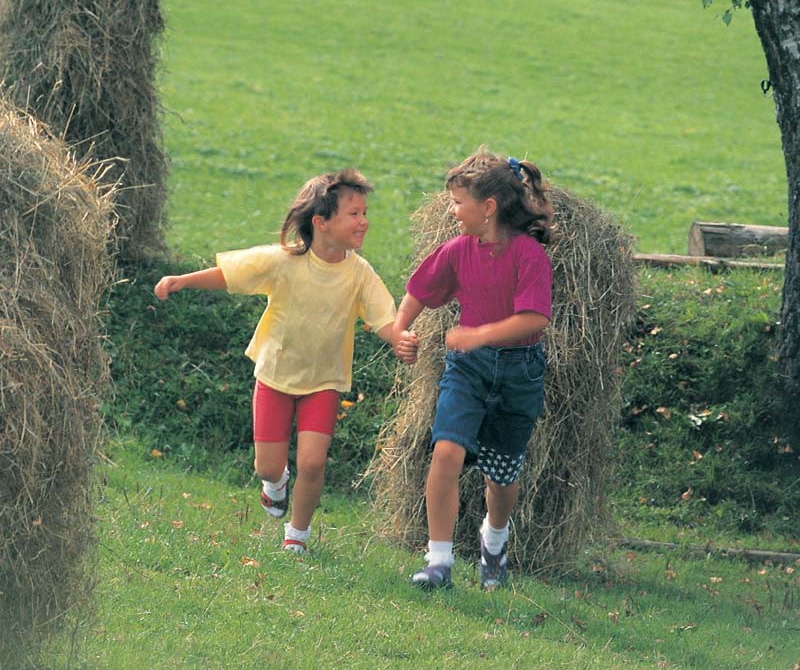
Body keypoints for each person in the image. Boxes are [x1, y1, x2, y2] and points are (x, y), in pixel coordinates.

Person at [155, 168, 411, 553]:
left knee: (312, 464)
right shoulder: (284, 261)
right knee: (267, 467)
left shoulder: (359, 273)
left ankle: (297, 535)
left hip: (324, 381)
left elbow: (383, 318)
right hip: (275, 376)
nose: (364, 221)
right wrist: (182, 280)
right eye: (354, 214)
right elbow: (231, 274)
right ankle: (275, 485)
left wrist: (400, 339)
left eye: (364, 212)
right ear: (321, 223)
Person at [393, 148, 553, 589]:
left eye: (458, 202)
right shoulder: (456, 250)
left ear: (488, 208)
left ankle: (494, 537)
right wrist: (400, 330)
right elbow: (419, 291)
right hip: (467, 369)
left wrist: (479, 334)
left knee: (501, 476)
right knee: (446, 450)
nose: (451, 210)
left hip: (520, 372)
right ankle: (439, 562)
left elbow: (535, 319)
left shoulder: (529, 256)